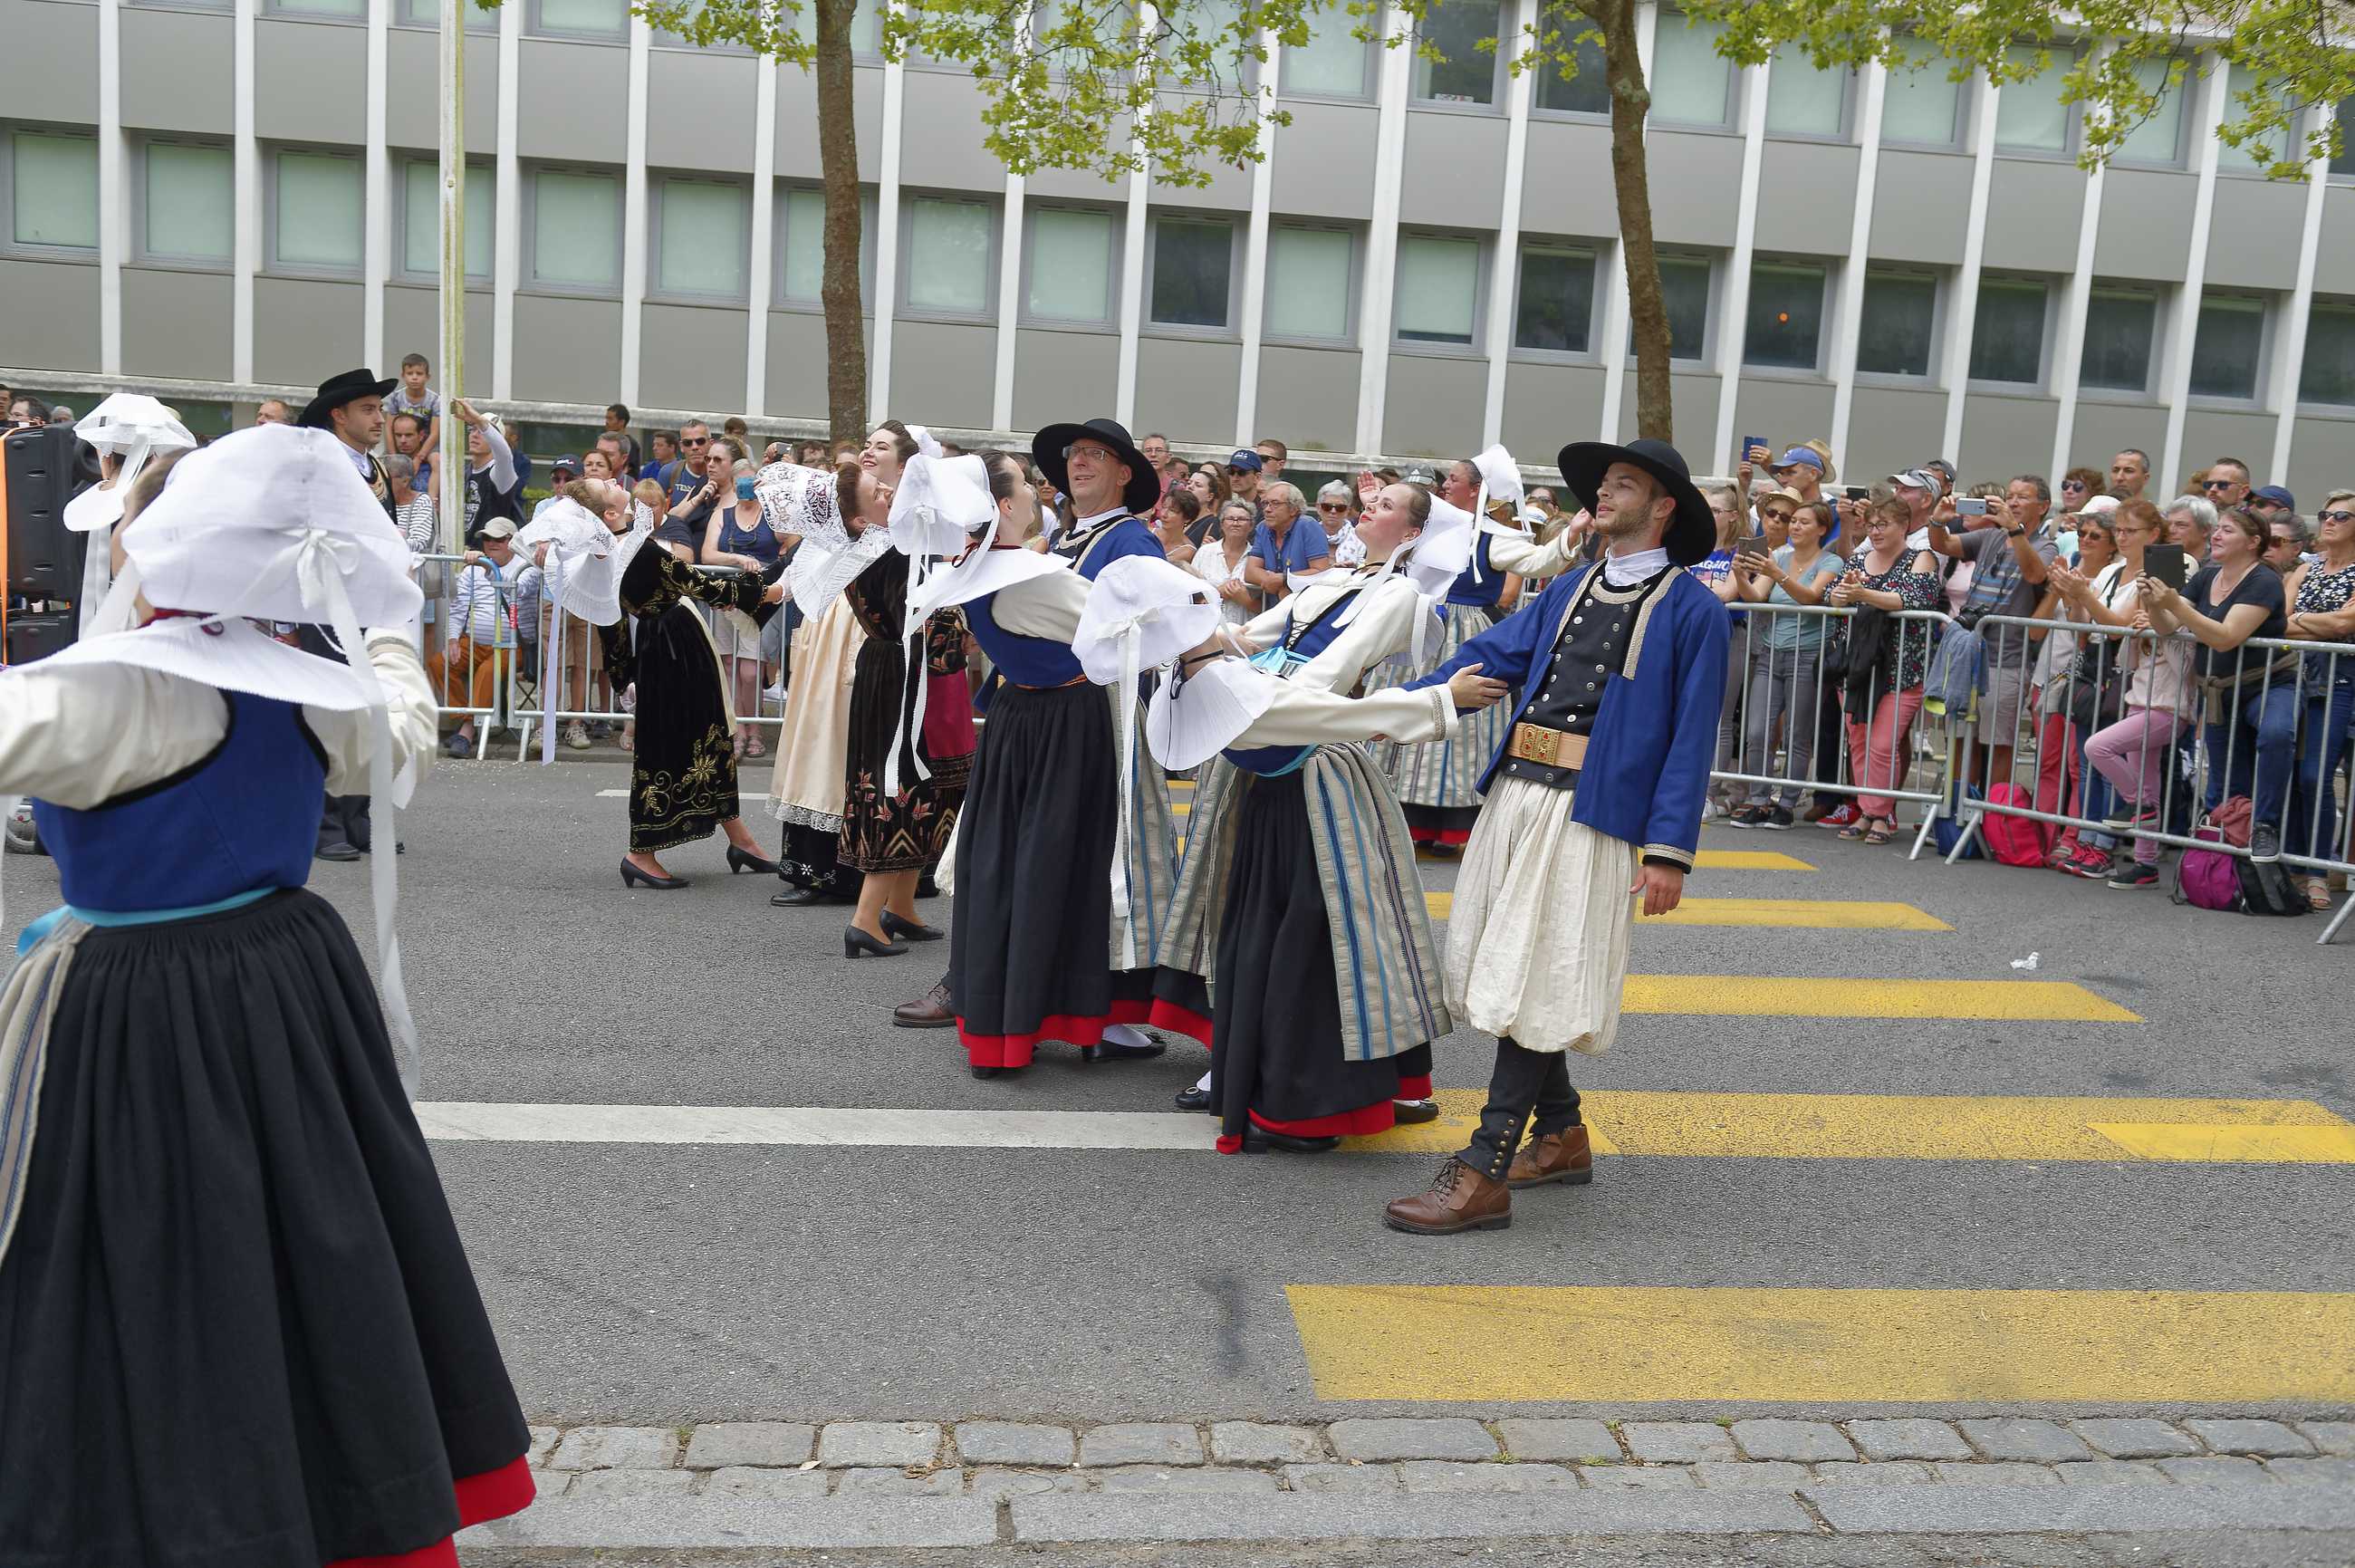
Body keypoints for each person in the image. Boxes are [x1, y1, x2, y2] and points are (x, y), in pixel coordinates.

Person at [0, 424, 535, 1565]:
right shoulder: (308, 686)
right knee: (304, 1254)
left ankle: (168, 1504)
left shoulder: (112, 695)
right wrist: (384, 632)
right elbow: (400, 745)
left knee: (138, 1256)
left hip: (139, 1010)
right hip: (286, 989)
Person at [1379, 438, 1728, 1235]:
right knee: (1521, 965)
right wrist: (1397, 709)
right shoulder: (1570, 586)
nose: (1603, 497)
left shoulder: (1694, 610)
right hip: (1518, 794)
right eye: (1603, 486)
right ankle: (1563, 1133)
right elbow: (1488, 654)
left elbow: (1690, 736)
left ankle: (1483, 1166)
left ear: (1663, 506)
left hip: (1592, 812)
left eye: (1623, 486)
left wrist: (1670, 850)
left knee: (1534, 973)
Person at [1149, 481, 1483, 1144]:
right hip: (1258, 741)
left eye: (1388, 505)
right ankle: (1242, 1059)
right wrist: (1202, 636)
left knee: (1324, 928)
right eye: (1373, 499)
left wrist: (1246, 689)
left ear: (1413, 532)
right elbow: (1252, 633)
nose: (1370, 508)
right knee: (1243, 910)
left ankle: (1330, 1082)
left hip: (1315, 757)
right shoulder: (1330, 581)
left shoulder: (1402, 594)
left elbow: (1329, 673)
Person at [554, 476, 786, 887]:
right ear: (609, 514)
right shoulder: (635, 551)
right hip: (675, 648)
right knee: (672, 747)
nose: (612, 478)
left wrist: (621, 672)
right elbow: (701, 584)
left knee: (708, 740)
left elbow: (612, 624)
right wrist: (771, 588)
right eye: (606, 484)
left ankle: (740, 839)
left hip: (666, 646)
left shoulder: (608, 550)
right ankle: (641, 852)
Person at [1374, 449, 1581, 849]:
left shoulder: (1491, 537)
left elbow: (1538, 562)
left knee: (1461, 727)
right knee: (1413, 705)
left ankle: (1450, 823)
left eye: (1454, 478)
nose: (1446, 483)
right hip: (1419, 626)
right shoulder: (1427, 527)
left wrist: (1571, 535)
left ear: (1476, 489)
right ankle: (1399, 814)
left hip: (1465, 633)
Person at [761, 425, 916, 907]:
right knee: (814, 734)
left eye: (882, 446)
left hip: (868, 630)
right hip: (826, 625)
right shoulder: (843, 498)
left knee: (847, 739)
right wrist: (772, 593)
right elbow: (810, 559)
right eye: (868, 444)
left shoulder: (905, 512)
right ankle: (813, 863)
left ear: (905, 463)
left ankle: (854, 869)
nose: (870, 451)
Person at [830, 457, 975, 958]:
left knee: (918, 786)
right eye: (877, 491)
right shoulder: (887, 552)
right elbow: (917, 623)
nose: (888, 492)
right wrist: (961, 632)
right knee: (901, 786)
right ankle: (866, 919)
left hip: (887, 669)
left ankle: (902, 907)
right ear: (859, 516)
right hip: (905, 676)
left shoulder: (869, 548)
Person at [2140, 505, 2294, 862]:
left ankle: (2266, 825)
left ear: (2254, 542)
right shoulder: (2207, 576)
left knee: (2275, 733)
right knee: (2227, 778)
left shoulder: (2264, 580)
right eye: (2218, 528)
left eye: (2228, 530)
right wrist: (2153, 603)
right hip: (2221, 689)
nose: (2217, 535)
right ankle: (2223, 863)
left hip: (2270, 684)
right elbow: (2166, 628)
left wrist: (2174, 605)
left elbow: (2226, 637)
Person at [2059, 500, 2195, 890]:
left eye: (2128, 530)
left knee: (2097, 748)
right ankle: (2145, 863)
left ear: (2154, 534)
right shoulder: (2112, 571)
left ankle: (2138, 805)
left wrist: (2148, 617)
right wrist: (2073, 594)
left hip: (2169, 699)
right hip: (2138, 690)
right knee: (2143, 776)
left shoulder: (2175, 572)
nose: (2120, 537)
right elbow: (2103, 631)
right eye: (2117, 530)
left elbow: (2169, 623)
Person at [298, 367, 401, 862]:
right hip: (329, 604)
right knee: (333, 713)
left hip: (369, 603)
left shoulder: (372, 468)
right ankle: (324, 822)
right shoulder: (321, 465)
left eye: (379, 408)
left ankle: (359, 814)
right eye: (368, 409)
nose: (378, 418)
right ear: (338, 415)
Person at [1928, 476, 2060, 794]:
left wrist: (2014, 530)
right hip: (1968, 652)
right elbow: (1943, 544)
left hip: (2008, 657)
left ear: (2043, 507)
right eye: (2010, 495)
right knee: (1960, 739)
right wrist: (1937, 520)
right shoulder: (1988, 534)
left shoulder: (2046, 545)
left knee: (1998, 743)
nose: (2013, 502)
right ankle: (1955, 811)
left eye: (2022, 498)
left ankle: (1992, 816)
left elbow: (2034, 574)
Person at [1832, 497, 1944, 846]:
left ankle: (1881, 813)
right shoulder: (1857, 559)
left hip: (1901, 668)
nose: (1875, 531)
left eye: (1884, 524)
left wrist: (1862, 592)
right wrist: (1845, 593)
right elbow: (1830, 597)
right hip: (1858, 666)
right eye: (1871, 524)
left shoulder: (1921, 558)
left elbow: (1915, 598)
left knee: (1884, 744)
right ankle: (1867, 810)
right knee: (1859, 740)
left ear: (1904, 527)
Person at [1732, 498, 1842, 827]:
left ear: (1822, 529)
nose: (1794, 526)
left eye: (1803, 522)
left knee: (1798, 733)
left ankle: (1787, 802)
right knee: (1756, 731)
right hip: (1771, 651)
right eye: (1793, 521)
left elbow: (1812, 597)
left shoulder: (1831, 561)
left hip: (1807, 654)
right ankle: (1759, 799)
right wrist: (1740, 577)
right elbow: (1756, 596)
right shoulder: (1778, 555)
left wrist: (1778, 574)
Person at [2283, 492, 2355, 907]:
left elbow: (2348, 621)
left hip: (2339, 681)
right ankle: (2294, 863)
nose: (2328, 520)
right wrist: (2323, 626)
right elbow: (2279, 618)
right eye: (2325, 514)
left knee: (2317, 775)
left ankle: (2318, 870)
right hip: (2293, 676)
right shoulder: (2304, 569)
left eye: (2341, 516)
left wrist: (2301, 622)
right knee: (2291, 774)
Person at [695, 442, 784, 759]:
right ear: (733, 484)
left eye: (752, 481)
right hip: (725, 598)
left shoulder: (772, 515)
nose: (746, 487)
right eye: (741, 482)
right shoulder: (724, 513)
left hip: (761, 602)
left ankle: (756, 728)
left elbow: (793, 540)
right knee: (729, 665)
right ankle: (737, 731)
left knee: (750, 670)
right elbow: (707, 554)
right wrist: (737, 558)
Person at [432, 518, 533, 758]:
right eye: (487, 538)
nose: (491, 543)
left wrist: (489, 569)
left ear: (512, 541)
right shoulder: (471, 569)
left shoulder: (526, 566)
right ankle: (467, 721)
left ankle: (466, 731)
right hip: (474, 641)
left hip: (513, 645)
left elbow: (516, 589)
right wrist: (453, 639)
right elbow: (458, 609)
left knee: (488, 671)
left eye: (498, 539)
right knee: (439, 664)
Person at [1245, 481, 1331, 601]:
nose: (1267, 509)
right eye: (1265, 503)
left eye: (1275, 504)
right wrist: (1278, 583)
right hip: (1273, 608)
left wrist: (1286, 579)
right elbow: (1250, 572)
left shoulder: (1308, 526)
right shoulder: (1263, 527)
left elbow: (1321, 572)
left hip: (1304, 607)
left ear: (1293, 509)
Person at [1194, 499, 1258, 624]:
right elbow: (1190, 595)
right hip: (1207, 630)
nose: (1235, 523)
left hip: (1245, 632)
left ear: (1251, 526)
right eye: (1230, 519)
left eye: (1242, 519)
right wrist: (1218, 593)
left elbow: (1267, 606)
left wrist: (1246, 600)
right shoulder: (1205, 552)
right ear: (1222, 524)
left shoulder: (1258, 557)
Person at [385, 351, 442, 474]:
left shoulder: (435, 400)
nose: (414, 377)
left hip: (427, 446)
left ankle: (432, 493)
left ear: (427, 377)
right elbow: (389, 428)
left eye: (419, 373)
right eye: (410, 373)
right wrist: (394, 457)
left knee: (437, 461)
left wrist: (419, 458)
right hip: (403, 442)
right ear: (403, 375)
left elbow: (435, 433)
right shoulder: (396, 398)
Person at [1154, 485, 1202, 565]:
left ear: (1187, 518)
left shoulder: (1187, 550)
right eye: (1164, 507)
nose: (1164, 514)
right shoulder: (1147, 532)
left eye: (1172, 511)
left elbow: (1160, 565)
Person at [603, 401, 642, 479]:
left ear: (621, 422)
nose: (606, 422)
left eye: (610, 419)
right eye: (606, 418)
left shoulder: (631, 444)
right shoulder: (602, 441)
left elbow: (628, 471)